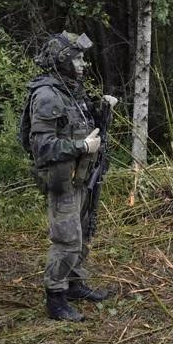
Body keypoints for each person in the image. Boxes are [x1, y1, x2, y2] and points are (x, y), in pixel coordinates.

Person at [22, 33, 117, 322]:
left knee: (84, 231)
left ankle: (74, 284)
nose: (83, 64)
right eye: (77, 59)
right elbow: (42, 147)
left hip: (82, 177)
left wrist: (103, 110)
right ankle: (55, 297)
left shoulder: (71, 91)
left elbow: (83, 126)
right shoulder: (47, 96)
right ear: (62, 61)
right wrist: (81, 147)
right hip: (62, 180)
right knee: (67, 240)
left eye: (83, 58)